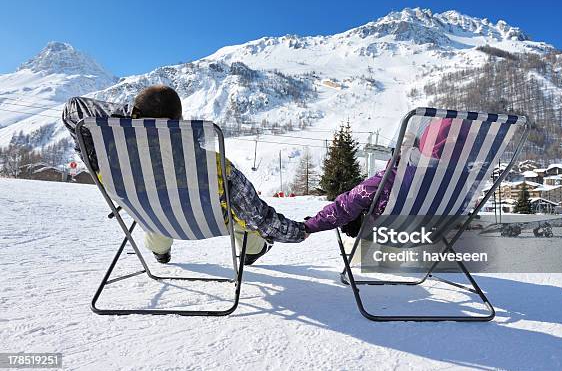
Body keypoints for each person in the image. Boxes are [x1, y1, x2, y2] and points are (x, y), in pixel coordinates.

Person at [63, 85, 307, 265]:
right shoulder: (211, 164)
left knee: (153, 206)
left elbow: (72, 108)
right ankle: (251, 251)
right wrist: (302, 230)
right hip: (206, 223)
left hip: (151, 216)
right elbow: (260, 217)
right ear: (177, 123)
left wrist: (132, 117)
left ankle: (160, 250)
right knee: (241, 217)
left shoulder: (107, 154)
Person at [303, 118, 468, 236]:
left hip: (390, 236)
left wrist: (309, 226)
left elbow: (343, 207)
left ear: (423, 143)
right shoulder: (462, 182)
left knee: (356, 210)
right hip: (433, 236)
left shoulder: (392, 179)